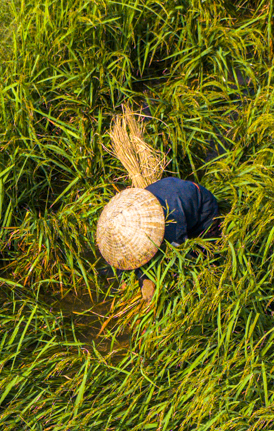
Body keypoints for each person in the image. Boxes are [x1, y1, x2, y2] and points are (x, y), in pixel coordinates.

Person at [94, 108, 222, 303]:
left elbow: (175, 252)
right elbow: (123, 259)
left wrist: (150, 280)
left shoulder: (172, 220)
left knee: (202, 252)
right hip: (170, 191)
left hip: (202, 208)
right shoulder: (130, 210)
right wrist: (129, 278)